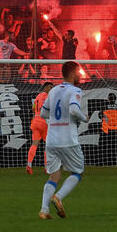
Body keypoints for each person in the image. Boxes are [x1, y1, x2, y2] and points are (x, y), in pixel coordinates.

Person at [38, 61, 88, 219]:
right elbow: (74, 109)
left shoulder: (53, 91)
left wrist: (56, 119)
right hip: (68, 139)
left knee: (54, 176)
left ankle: (44, 210)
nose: (80, 75)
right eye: (79, 73)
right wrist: (83, 118)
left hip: (51, 140)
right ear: (73, 74)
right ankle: (58, 197)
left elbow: (43, 114)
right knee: (78, 172)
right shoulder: (75, 90)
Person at [26, 82, 53, 175]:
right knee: (48, 145)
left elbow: (33, 109)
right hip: (44, 122)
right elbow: (43, 109)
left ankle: (29, 164)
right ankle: (46, 167)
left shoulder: (37, 96)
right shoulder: (46, 96)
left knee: (34, 144)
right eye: (50, 87)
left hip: (35, 122)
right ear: (45, 87)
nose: (51, 89)